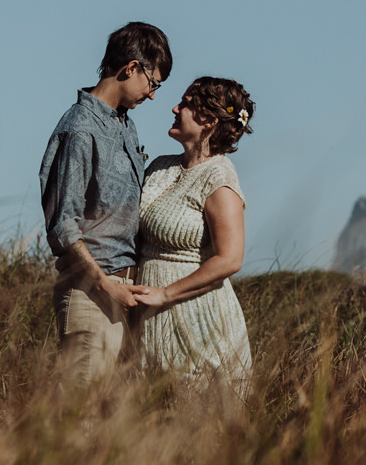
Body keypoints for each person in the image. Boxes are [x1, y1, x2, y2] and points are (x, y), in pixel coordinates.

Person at [39, 21, 171, 390]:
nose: (154, 94)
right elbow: (63, 226)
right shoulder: (80, 128)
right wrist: (104, 285)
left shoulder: (125, 125)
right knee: (80, 419)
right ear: (131, 68)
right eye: (153, 83)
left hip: (127, 292)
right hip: (90, 294)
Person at [133, 76, 255, 398]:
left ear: (209, 121)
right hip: (149, 314)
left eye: (186, 104)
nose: (175, 107)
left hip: (198, 316)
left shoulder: (220, 178)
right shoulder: (160, 166)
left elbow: (230, 258)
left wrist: (166, 294)